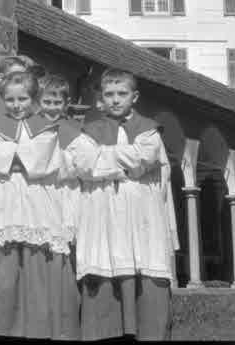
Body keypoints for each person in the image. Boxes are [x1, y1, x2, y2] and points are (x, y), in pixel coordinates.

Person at [74, 69, 177, 341]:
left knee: (144, 264)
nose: (116, 100)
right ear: (101, 98)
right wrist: (124, 166)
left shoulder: (148, 129)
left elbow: (143, 160)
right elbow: (82, 164)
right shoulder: (90, 130)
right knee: (106, 261)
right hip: (104, 212)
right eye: (109, 94)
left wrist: (104, 160)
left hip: (140, 214)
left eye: (122, 93)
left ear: (135, 96)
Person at [0, 70, 66, 339]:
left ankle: (36, 326)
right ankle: (1, 325)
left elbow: (39, 163)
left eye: (23, 99)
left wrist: (13, 158)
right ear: (2, 99)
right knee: (4, 261)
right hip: (3, 196)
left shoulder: (45, 127)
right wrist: (19, 159)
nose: (17, 105)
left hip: (35, 196)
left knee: (35, 259)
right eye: (11, 100)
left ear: (34, 98)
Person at [37, 73, 83, 340]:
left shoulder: (74, 131)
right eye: (47, 101)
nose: (52, 107)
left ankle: (67, 320)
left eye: (57, 102)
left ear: (65, 104)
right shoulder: (33, 126)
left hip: (65, 195)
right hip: (41, 197)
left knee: (65, 257)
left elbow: (78, 165)